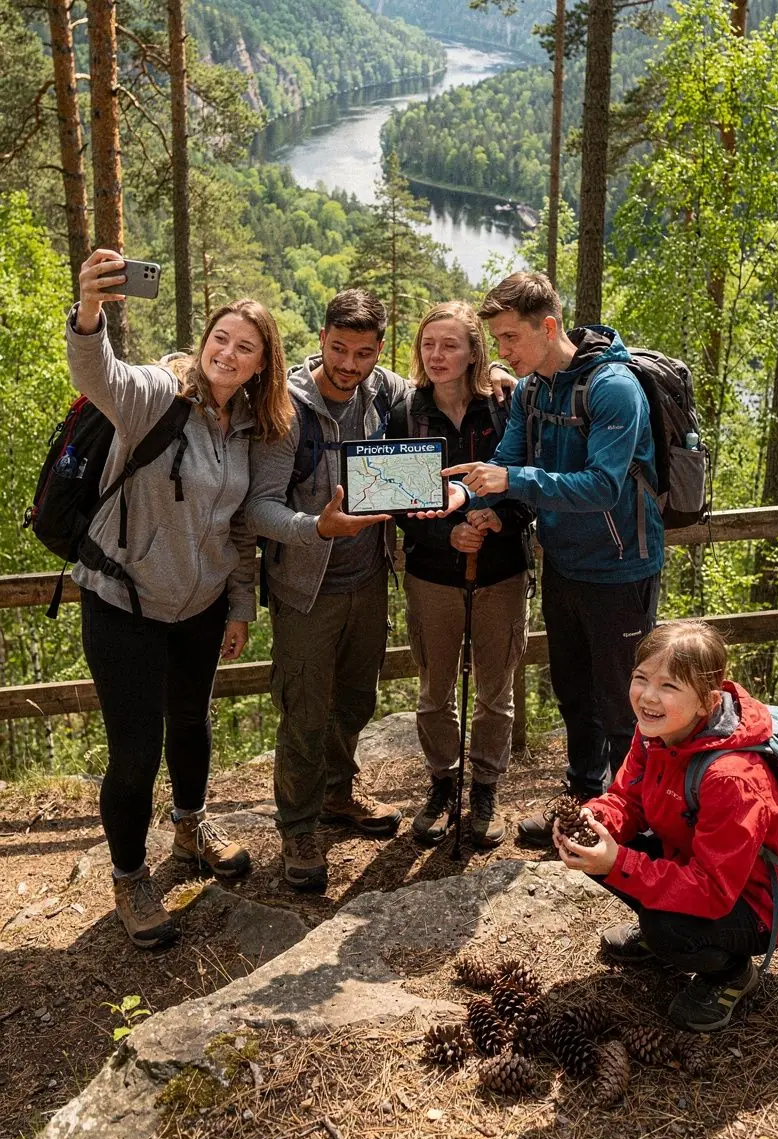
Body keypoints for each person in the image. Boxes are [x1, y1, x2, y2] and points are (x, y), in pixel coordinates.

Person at [245, 289, 514, 892]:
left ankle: (339, 795)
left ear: (379, 353)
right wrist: (316, 526)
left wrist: (493, 370)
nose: (348, 363)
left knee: (355, 701)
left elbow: (448, 374)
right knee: (304, 711)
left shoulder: (385, 394)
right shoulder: (286, 411)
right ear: (320, 339)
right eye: (338, 348)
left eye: (363, 352)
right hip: (305, 587)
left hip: (367, 581)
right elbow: (256, 507)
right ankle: (299, 827)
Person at [70, 248, 291, 950]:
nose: (228, 352)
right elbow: (96, 371)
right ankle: (132, 874)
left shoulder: (250, 429)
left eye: (245, 346)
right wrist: (88, 309)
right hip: (123, 602)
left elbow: (238, 528)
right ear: (205, 344)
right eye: (220, 338)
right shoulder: (156, 396)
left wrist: (240, 605)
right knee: (135, 751)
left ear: (262, 365)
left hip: (197, 609)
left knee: (191, 724)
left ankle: (191, 829)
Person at [424, 271, 664, 841]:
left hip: (621, 566)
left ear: (548, 326)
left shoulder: (612, 387)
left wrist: (513, 479)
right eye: (498, 339)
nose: (501, 352)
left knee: (624, 701)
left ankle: (635, 820)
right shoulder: (534, 391)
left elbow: (603, 485)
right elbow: (506, 461)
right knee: (573, 689)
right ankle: (583, 802)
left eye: (510, 338)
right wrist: (468, 500)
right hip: (563, 562)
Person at [554, 621, 778, 1033]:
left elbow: (712, 890)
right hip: (691, 860)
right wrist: (597, 819)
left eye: (669, 687)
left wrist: (618, 862)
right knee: (592, 845)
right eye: (641, 679)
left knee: (667, 925)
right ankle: (665, 937)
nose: (648, 697)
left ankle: (729, 974)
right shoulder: (656, 731)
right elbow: (629, 798)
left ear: (706, 702)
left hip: (752, 903)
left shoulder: (732, 778)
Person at [388, 302, 533, 850]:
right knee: (434, 689)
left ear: (475, 350)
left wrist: (499, 518)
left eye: (450, 345)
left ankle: (486, 789)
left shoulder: (503, 407)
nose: (437, 356)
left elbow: (529, 479)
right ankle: (442, 784)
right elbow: (394, 499)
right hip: (431, 574)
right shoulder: (407, 413)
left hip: (501, 570)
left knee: (496, 690)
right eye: (429, 345)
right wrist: (444, 536)